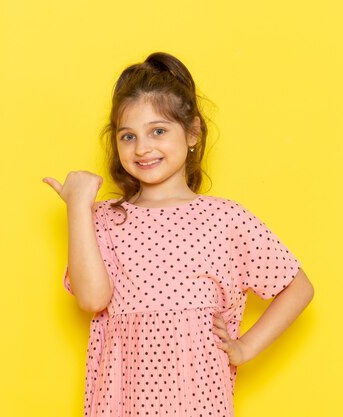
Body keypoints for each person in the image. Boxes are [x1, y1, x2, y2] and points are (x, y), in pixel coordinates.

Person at [42, 51, 314, 417]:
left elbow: (298, 288)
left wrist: (245, 348)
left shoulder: (225, 218)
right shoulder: (105, 218)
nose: (142, 148)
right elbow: (92, 299)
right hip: (123, 402)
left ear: (192, 132)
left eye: (158, 131)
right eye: (128, 136)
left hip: (198, 399)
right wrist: (77, 206)